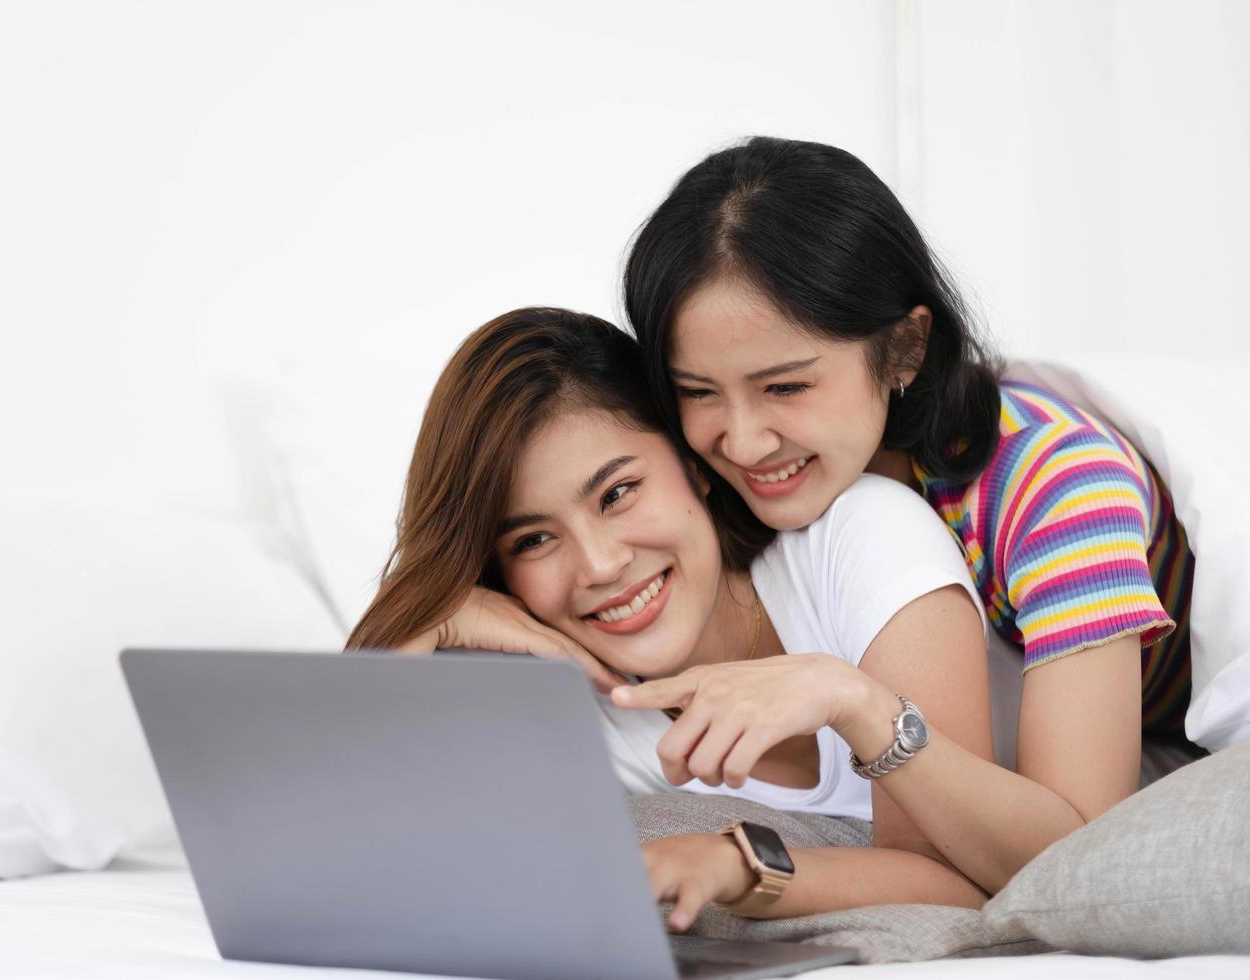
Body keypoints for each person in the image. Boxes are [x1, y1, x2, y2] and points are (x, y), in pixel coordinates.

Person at [623, 135, 1195, 895]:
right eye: (698, 391)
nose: (743, 440)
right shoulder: (704, 472)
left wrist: (859, 704)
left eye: (787, 387)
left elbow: (1079, 861)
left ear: (904, 349)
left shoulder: (1058, 489)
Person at [347, 307, 1000, 926]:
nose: (600, 564)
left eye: (618, 492)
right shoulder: (559, 714)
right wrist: (426, 624)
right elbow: (361, 859)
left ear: (695, 466)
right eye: (533, 541)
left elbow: (963, 881)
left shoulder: (858, 538)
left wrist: (736, 865)